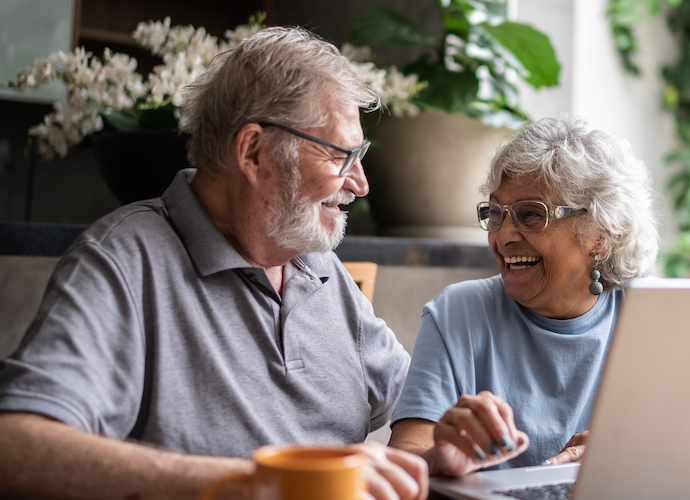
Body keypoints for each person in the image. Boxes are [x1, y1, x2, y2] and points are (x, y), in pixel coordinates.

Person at [0, 27, 427, 500]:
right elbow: (17, 445)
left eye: (359, 155)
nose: (360, 183)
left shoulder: (320, 267)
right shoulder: (124, 260)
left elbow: (419, 402)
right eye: (340, 155)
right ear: (253, 151)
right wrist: (258, 484)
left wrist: (422, 456)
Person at [387, 116, 659, 476]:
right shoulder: (458, 312)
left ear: (602, 236)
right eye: (496, 214)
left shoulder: (650, 320)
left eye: (531, 215)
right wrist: (439, 459)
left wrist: (625, 459)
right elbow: (403, 462)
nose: (503, 236)